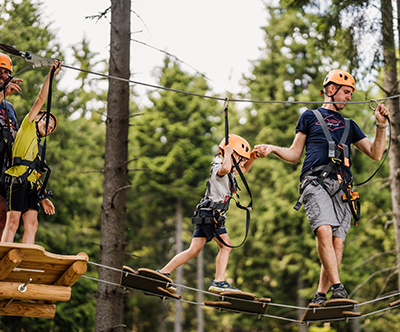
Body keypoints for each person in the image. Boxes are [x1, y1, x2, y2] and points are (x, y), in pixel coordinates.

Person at [254, 69, 389, 305]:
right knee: (323, 229)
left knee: (337, 242)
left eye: (350, 93)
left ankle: (320, 295)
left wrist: (380, 126)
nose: (349, 97)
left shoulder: (350, 125)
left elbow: (376, 154)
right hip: (314, 182)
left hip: (342, 189)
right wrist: (273, 148)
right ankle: (338, 288)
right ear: (330, 89)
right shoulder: (309, 117)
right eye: (346, 92)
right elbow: (295, 154)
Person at [158, 134, 258, 293]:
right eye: (241, 158)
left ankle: (163, 273)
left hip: (208, 215)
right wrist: (227, 153)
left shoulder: (230, 169)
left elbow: (244, 169)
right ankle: (219, 281)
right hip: (211, 215)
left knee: (194, 250)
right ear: (231, 154)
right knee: (226, 246)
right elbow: (224, 169)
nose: (242, 162)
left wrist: (252, 157)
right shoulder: (219, 164)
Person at [0, 60, 60, 244]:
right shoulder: (28, 124)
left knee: (30, 223)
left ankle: (26, 256)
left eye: (51, 128)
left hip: (20, 178)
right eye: (46, 122)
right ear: (36, 118)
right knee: (13, 221)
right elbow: (41, 99)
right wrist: (50, 75)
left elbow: (32, 172)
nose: (48, 127)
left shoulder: (38, 146)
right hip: (13, 176)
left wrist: (42, 197)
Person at [0, 53, 22, 239]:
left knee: (3, 220)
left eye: (7, 73)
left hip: (4, 170)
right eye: (0, 72)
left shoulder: (9, 109)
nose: (4, 76)